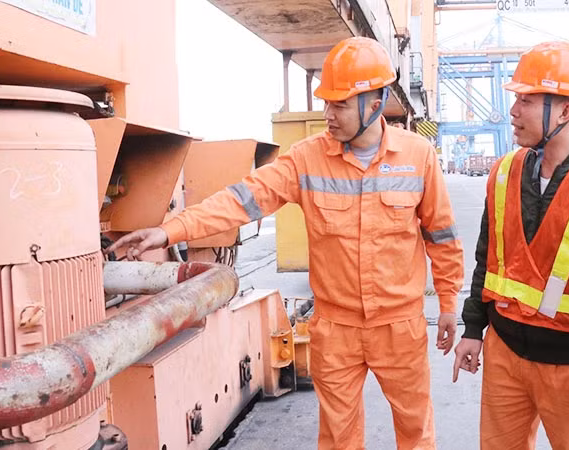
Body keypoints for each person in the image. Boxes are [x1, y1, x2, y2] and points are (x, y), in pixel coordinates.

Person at [107, 37, 464, 450]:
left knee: (416, 431)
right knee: (339, 439)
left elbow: (442, 237)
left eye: (340, 105)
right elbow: (242, 200)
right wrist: (170, 230)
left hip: (399, 327)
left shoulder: (418, 157)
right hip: (336, 327)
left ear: (375, 102)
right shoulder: (306, 158)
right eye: (326, 102)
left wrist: (451, 305)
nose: (327, 114)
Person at [451, 41, 569, 449]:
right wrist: (473, 329)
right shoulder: (503, 173)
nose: (512, 112)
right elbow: (488, 260)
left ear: (566, 111)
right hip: (504, 356)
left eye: (526, 100)